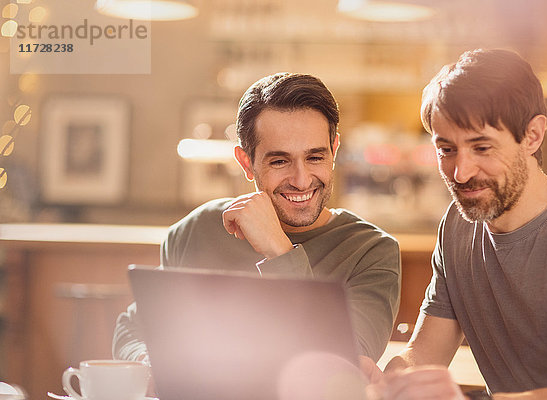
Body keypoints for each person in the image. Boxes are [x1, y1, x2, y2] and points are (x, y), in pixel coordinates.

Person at [113, 73, 401, 366]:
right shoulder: (196, 230)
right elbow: (133, 330)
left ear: (334, 151)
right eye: (279, 161)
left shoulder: (372, 252)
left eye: (315, 158)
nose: (302, 181)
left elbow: (345, 365)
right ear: (246, 162)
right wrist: (148, 362)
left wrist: (280, 251)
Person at [364, 49, 547, 399]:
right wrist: (390, 380)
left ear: (532, 135)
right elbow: (424, 354)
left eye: (482, 148)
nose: (462, 172)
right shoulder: (459, 227)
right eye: (446, 150)